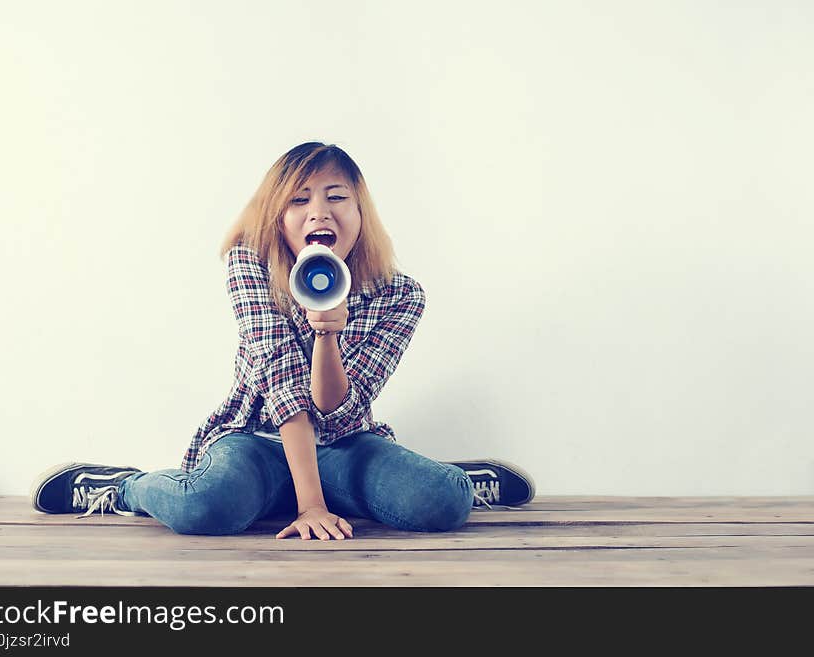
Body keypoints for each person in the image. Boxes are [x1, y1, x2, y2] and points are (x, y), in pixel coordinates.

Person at [30, 142, 535, 540]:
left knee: (441, 502)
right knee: (204, 507)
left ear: (362, 213)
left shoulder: (399, 295)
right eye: (299, 199)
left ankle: (460, 481)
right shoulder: (250, 263)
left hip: (341, 443)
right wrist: (311, 504)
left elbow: (336, 411)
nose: (319, 212)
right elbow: (282, 383)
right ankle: (120, 487)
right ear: (278, 216)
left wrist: (327, 335)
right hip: (256, 440)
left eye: (336, 196)